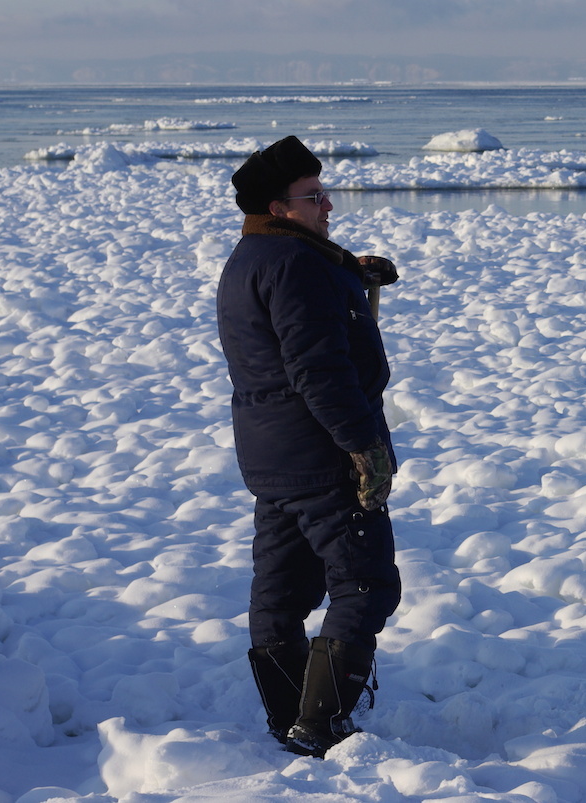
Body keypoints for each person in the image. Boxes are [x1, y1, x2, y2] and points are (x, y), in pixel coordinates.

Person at [217, 136, 402, 758]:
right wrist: (363, 448)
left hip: (273, 458)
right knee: (365, 585)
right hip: (321, 454)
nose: (329, 205)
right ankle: (318, 724)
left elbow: (304, 299)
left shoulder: (255, 256)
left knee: (281, 592)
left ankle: (289, 717)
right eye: (314, 196)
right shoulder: (295, 267)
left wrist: (353, 274)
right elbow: (317, 370)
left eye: (326, 192)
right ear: (278, 206)